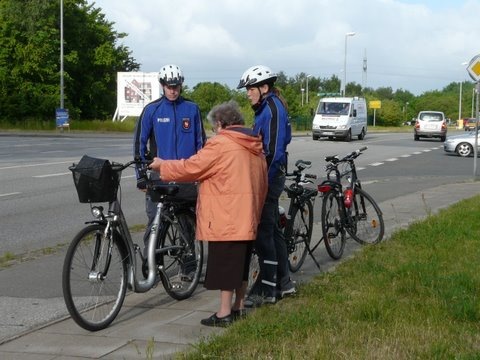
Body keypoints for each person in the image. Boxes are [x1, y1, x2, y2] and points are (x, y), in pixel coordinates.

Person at [148, 100, 267, 327]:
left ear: (221, 124)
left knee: (224, 266)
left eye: (214, 128)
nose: (214, 132)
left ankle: (224, 314)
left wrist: (163, 165)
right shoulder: (253, 144)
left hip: (226, 215)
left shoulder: (222, 144)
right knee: (241, 264)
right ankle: (238, 306)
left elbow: (192, 167)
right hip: (247, 214)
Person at [133, 64, 206, 271]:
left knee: (186, 224)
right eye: (168, 86)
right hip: (160, 177)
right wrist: (140, 176)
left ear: (181, 85)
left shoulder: (192, 109)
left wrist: (201, 174)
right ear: (162, 85)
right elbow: (139, 143)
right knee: (155, 222)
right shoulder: (152, 110)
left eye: (176, 86)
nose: (172, 90)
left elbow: (201, 144)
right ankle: (151, 265)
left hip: (186, 177)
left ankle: (189, 268)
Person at [237, 65, 294, 307]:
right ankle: (284, 282)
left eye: (250, 89)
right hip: (268, 175)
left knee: (263, 232)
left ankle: (267, 288)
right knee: (272, 231)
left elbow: (273, 151)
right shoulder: (265, 108)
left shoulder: (271, 109)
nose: (247, 94)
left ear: (264, 87)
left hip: (269, 177)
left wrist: (261, 183)